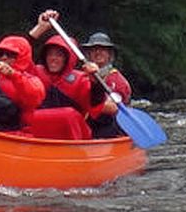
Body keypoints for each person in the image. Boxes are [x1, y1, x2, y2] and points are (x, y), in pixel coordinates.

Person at [29, 10, 133, 140]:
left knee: (70, 115)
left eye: (59, 55)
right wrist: (39, 29)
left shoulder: (97, 79)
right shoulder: (37, 72)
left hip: (96, 130)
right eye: (50, 54)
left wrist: (95, 84)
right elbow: (20, 56)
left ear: (110, 54)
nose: (53, 58)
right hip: (41, 132)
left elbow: (108, 107)